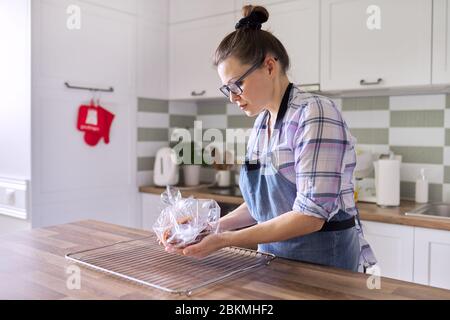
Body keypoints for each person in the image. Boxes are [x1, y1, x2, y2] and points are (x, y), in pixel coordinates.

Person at [165, 5, 376, 272]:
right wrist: (209, 229)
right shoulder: (262, 123)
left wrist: (225, 240)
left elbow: (310, 216)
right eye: (226, 89)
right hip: (274, 264)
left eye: (236, 85)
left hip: (323, 267)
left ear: (269, 66)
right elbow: (261, 208)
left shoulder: (315, 114)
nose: (232, 97)